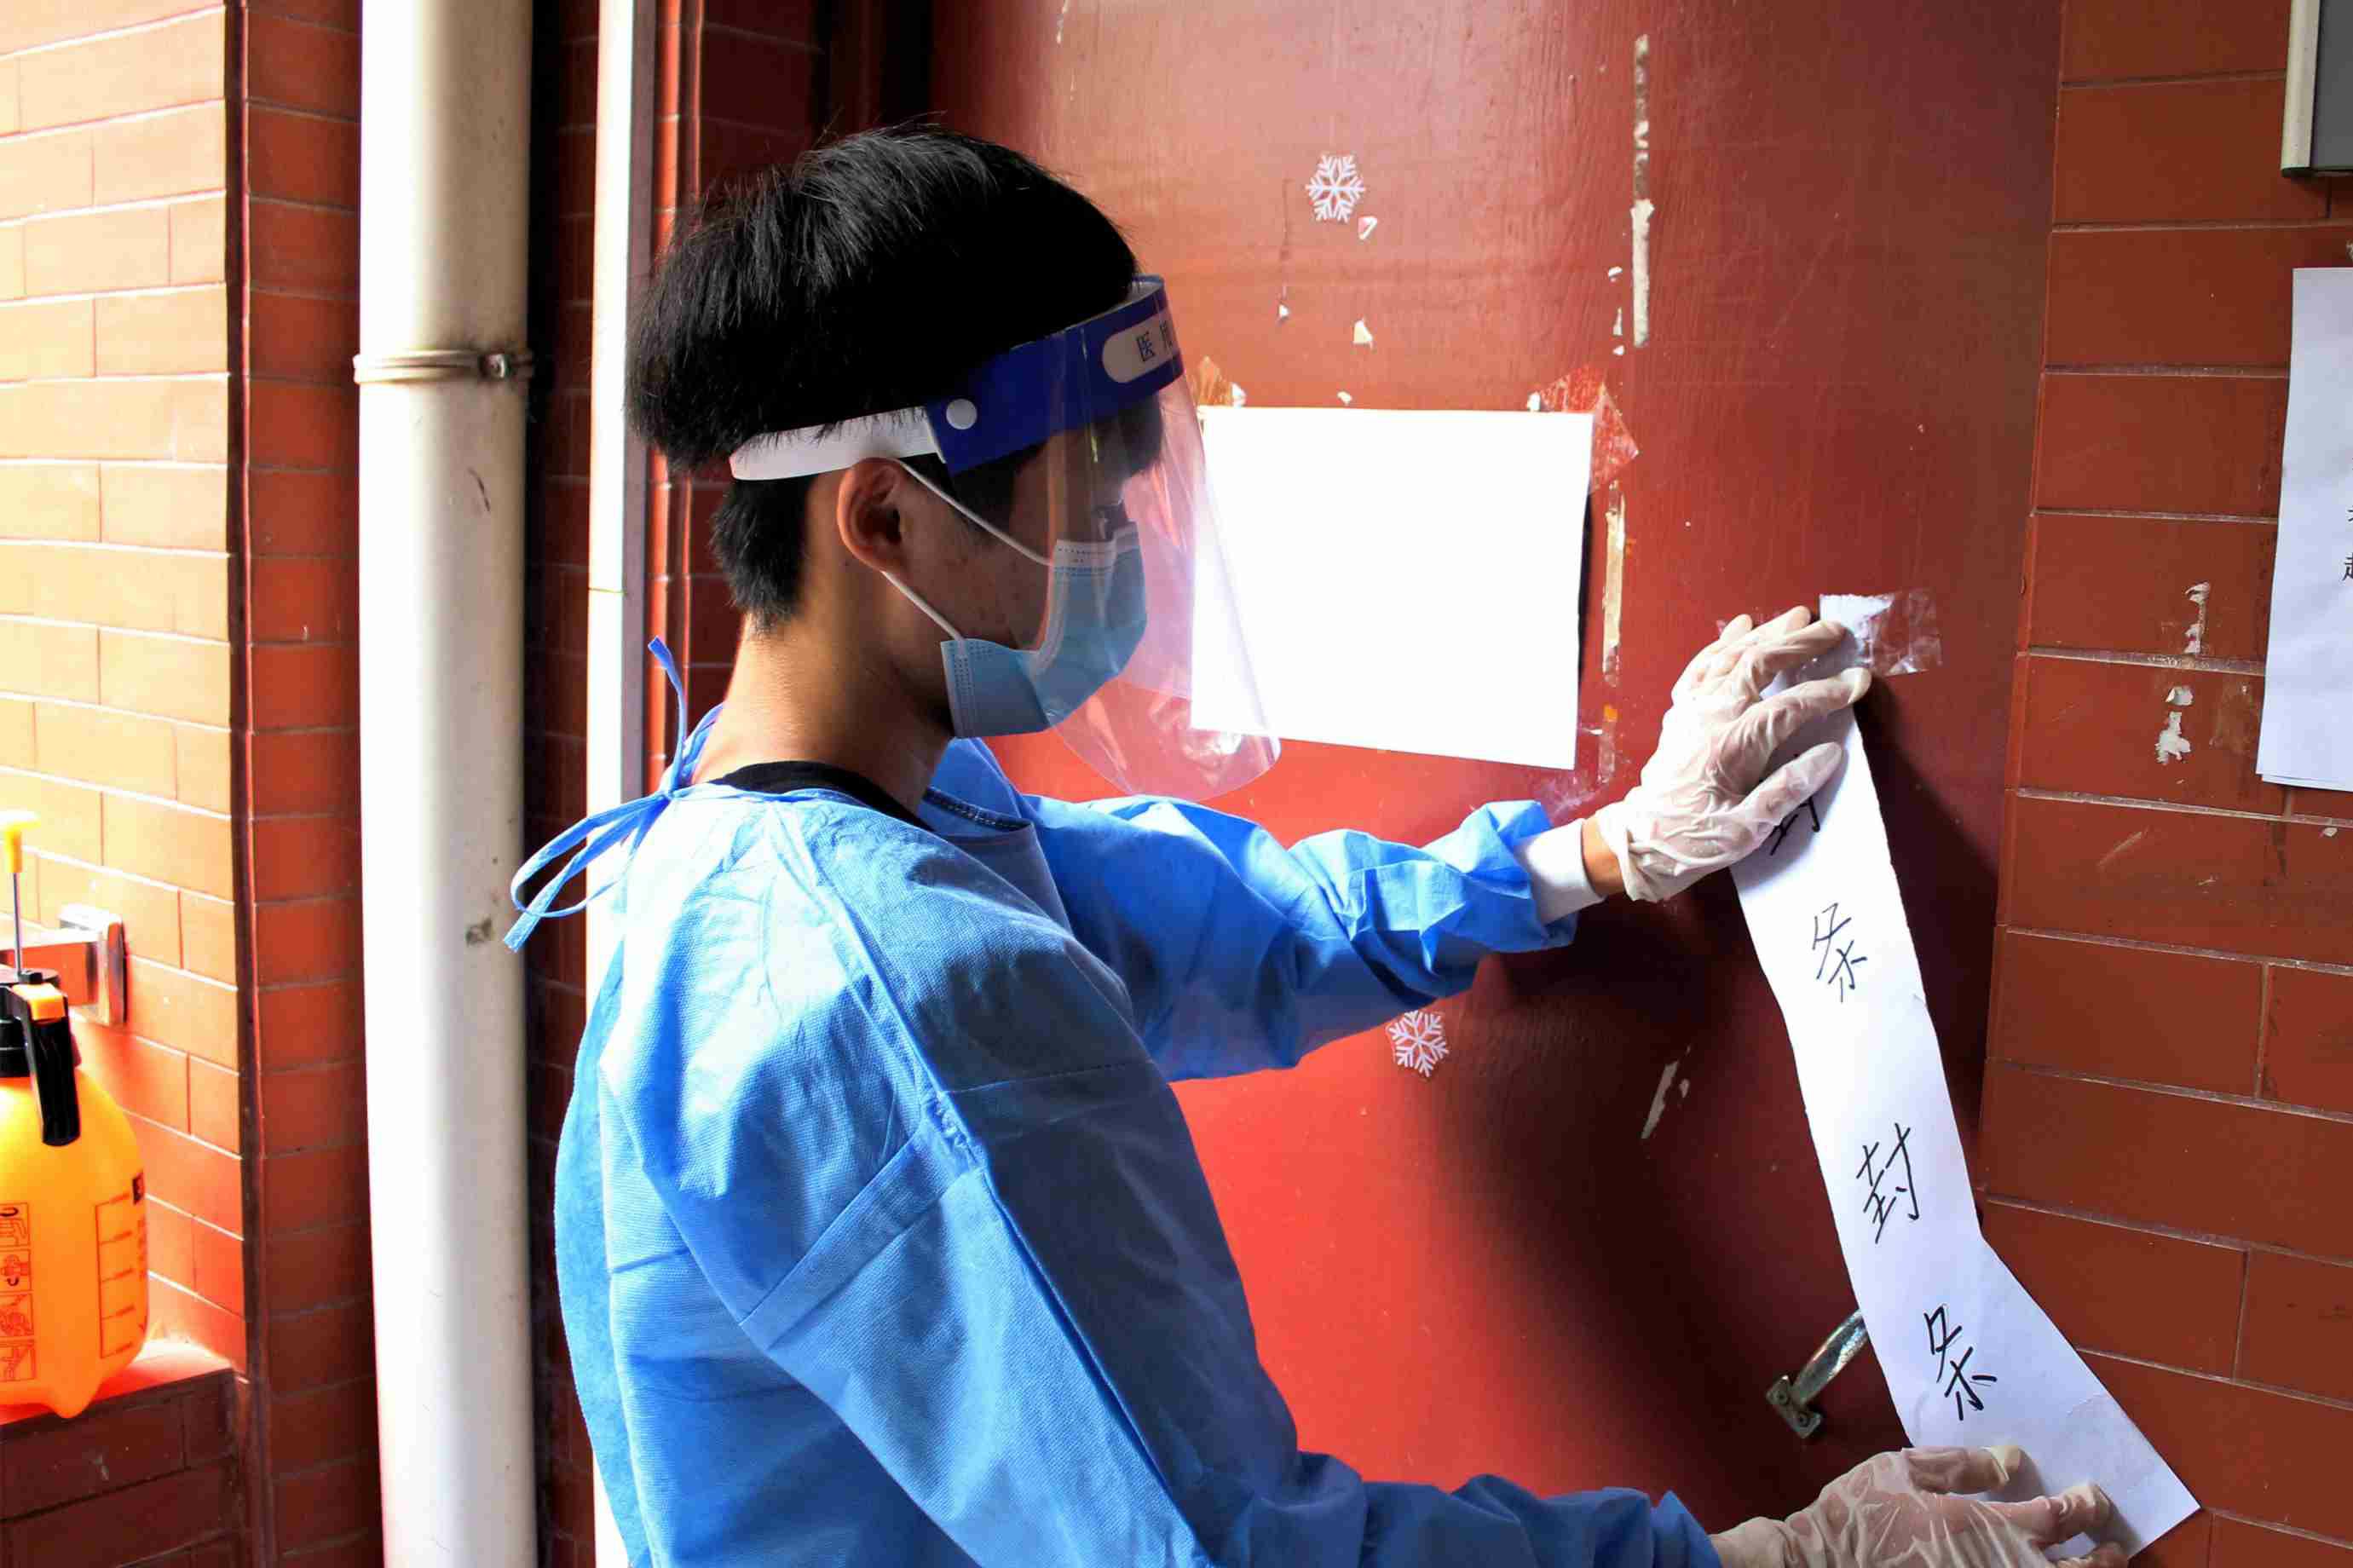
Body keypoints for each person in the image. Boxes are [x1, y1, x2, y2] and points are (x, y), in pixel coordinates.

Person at [509, 126, 2124, 1568]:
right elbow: (1211, 1553)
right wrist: (1768, 1562)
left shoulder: (796, 831)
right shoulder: (892, 993)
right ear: (881, 520)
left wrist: (1606, 852)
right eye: (1083, 503)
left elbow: (1225, 921)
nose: (1117, 547)